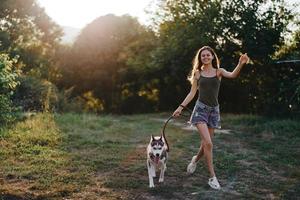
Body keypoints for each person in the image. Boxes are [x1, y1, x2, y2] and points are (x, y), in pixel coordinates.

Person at [173, 46, 249, 190]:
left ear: (213, 57)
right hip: (200, 110)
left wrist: (241, 63)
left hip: (214, 111)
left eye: (208, 55)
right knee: (208, 143)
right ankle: (212, 177)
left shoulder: (219, 72)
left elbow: (233, 75)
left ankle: (195, 160)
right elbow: (192, 93)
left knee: (206, 144)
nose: (206, 57)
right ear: (200, 58)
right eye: (203, 56)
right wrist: (180, 107)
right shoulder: (197, 73)